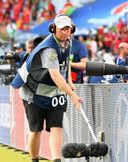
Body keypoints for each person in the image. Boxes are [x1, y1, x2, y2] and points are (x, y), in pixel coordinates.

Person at [11, 14, 82, 162]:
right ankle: (34, 159)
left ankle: (56, 160)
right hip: (33, 91)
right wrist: (73, 96)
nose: (65, 32)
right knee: (36, 130)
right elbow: (55, 76)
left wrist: (69, 81)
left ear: (71, 30)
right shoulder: (49, 49)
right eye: (62, 29)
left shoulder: (68, 43)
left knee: (57, 127)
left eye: (68, 29)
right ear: (54, 28)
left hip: (53, 92)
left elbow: (66, 64)